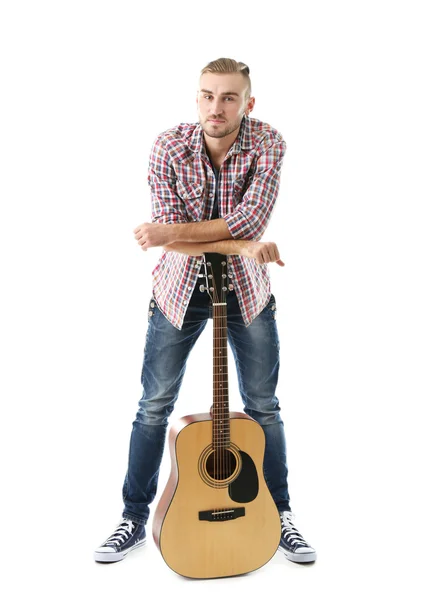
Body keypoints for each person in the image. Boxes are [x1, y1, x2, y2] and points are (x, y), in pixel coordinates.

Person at [94, 58, 317, 566]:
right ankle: (132, 517)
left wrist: (179, 235)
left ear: (248, 103)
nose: (216, 107)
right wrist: (239, 246)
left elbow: (245, 219)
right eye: (207, 95)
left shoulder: (268, 142)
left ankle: (279, 514)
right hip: (178, 291)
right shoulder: (169, 146)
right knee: (154, 405)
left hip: (248, 291)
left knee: (263, 406)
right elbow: (192, 233)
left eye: (229, 97)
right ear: (196, 97)